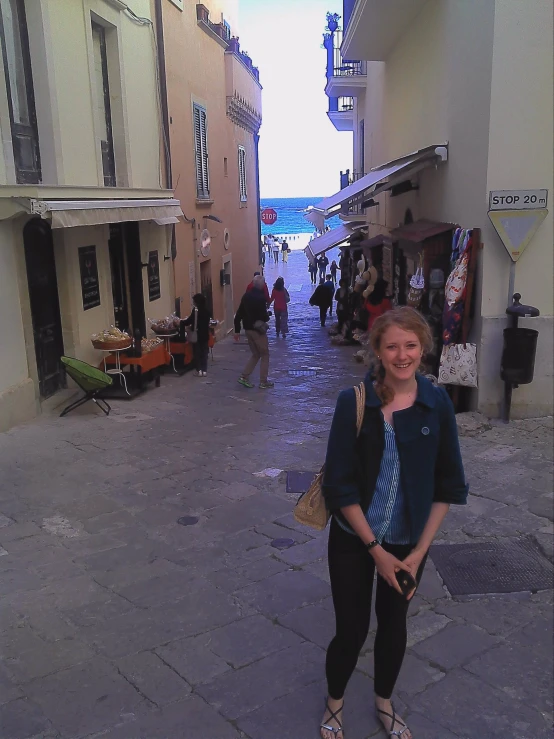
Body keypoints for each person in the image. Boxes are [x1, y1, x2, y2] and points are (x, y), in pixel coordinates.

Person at [319, 307, 468, 739]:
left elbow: (449, 484)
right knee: (350, 630)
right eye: (392, 346)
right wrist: (375, 551)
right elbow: (339, 486)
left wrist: (418, 552)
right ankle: (334, 703)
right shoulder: (355, 402)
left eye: (410, 345)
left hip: (409, 545)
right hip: (354, 540)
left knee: (394, 626)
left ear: (423, 349)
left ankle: (384, 701)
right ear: (378, 352)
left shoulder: (436, 402)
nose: (402, 355)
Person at [234, 274, 274, 389]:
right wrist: (267, 315)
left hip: (247, 329)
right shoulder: (261, 298)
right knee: (265, 354)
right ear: (262, 285)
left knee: (256, 354)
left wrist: (237, 330)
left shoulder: (246, 296)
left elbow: (239, 314)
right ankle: (263, 381)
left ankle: (244, 376)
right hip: (257, 330)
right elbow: (264, 316)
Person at [179, 293, 212, 377]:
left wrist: (181, 322)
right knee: (204, 352)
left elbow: (190, 320)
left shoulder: (196, 311)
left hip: (197, 335)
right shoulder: (207, 311)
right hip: (205, 334)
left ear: (196, 302)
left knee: (197, 352)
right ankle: (204, 370)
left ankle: (199, 370)